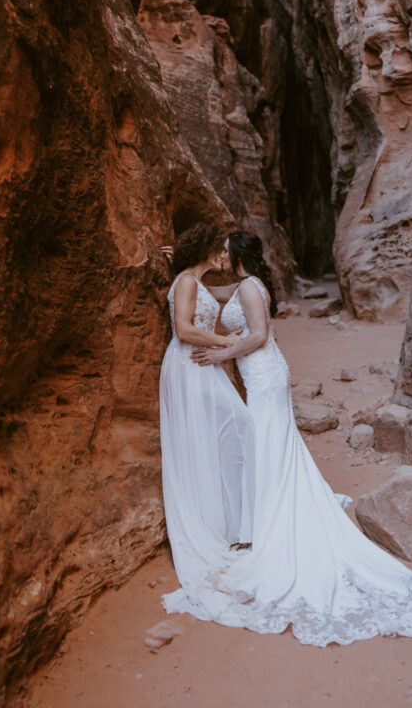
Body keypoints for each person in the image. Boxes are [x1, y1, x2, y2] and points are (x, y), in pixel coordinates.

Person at [161, 230, 412, 646]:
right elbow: (212, 286)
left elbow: (259, 335)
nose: (221, 255)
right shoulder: (247, 284)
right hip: (261, 373)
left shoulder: (248, 287)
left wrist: (223, 352)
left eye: (226, 250)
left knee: (265, 443)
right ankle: (265, 517)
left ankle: (272, 523)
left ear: (238, 254)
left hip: (262, 374)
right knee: (267, 446)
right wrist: (183, 259)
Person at [159, 223, 255, 598]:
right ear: (204, 247)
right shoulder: (186, 282)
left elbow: (228, 291)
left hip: (203, 364)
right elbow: (183, 329)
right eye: (218, 248)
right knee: (210, 435)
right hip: (188, 365)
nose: (223, 255)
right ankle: (213, 527)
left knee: (228, 429)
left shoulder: (193, 281)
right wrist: (226, 341)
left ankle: (232, 525)